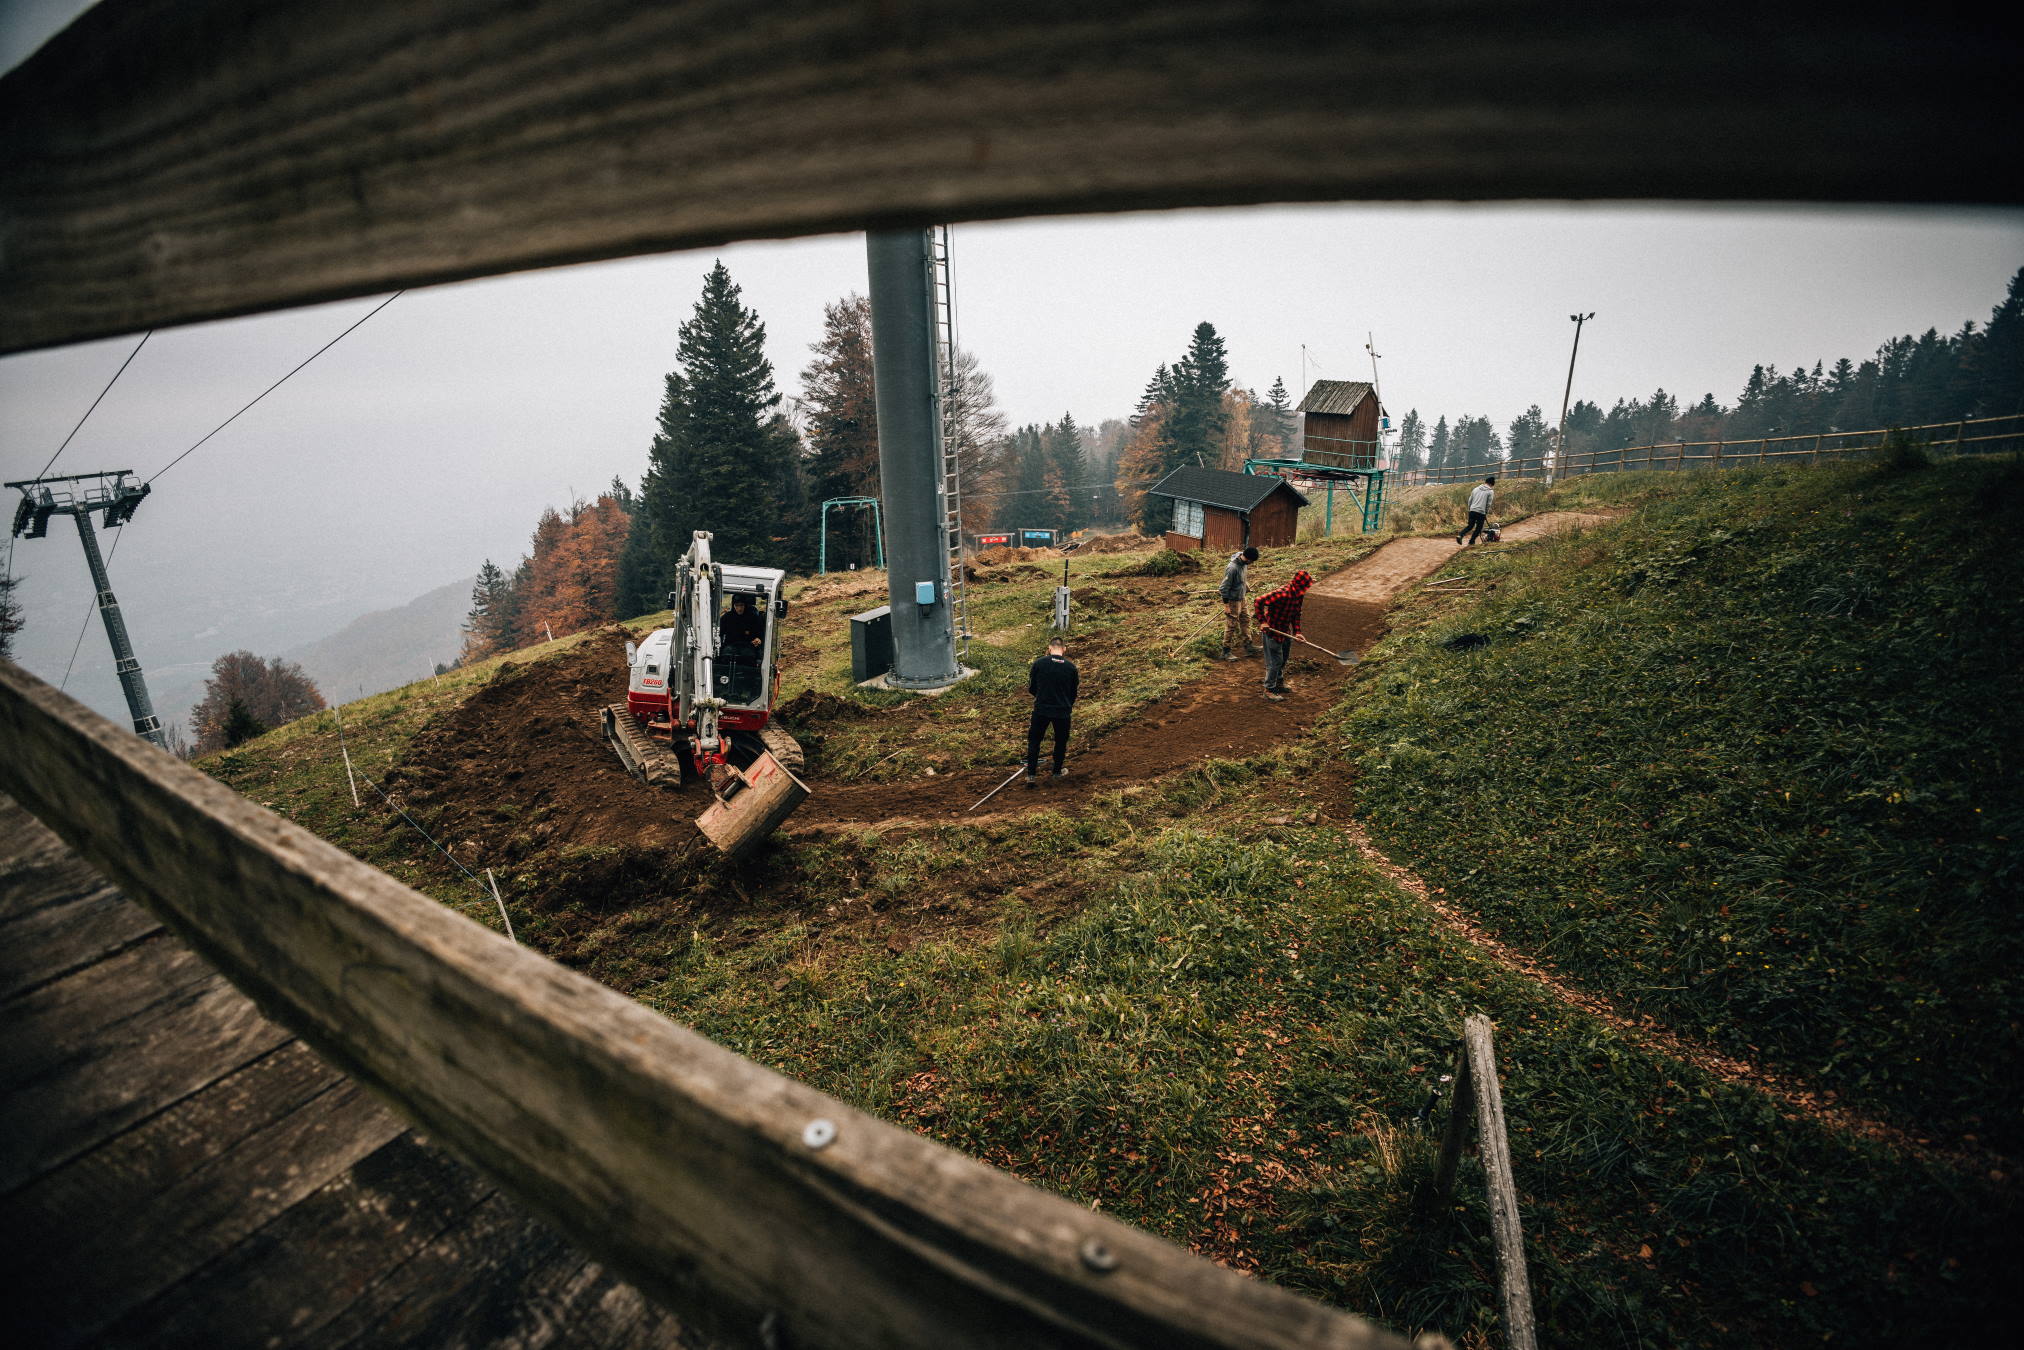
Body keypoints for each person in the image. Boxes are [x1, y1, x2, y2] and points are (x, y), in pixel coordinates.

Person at [1024, 636, 1079, 787]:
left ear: (1049, 648)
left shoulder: (1039, 663)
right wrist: (1066, 704)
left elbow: (1032, 688)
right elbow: (1073, 693)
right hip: (1062, 711)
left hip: (1041, 709)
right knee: (1060, 741)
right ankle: (1056, 771)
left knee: (1034, 741)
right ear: (1064, 649)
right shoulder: (1071, 668)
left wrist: (1042, 698)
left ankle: (1031, 775)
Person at [1253, 569, 1313, 701]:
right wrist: (1263, 622)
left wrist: (1297, 631)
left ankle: (1278, 683)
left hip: (1285, 631)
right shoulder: (1282, 593)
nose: (1307, 588)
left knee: (1284, 658)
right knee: (1275, 661)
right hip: (1272, 631)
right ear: (1299, 585)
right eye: (1306, 586)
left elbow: (1296, 613)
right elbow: (1258, 601)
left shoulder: (1299, 595)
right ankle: (1269, 690)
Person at [1218, 545, 1261, 661]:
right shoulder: (1232, 568)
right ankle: (1225, 651)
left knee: (1246, 620)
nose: (1251, 564)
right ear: (1247, 558)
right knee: (1231, 625)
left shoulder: (1244, 563)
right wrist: (1226, 606)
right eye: (1252, 561)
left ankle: (1249, 646)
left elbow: (1242, 578)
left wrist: (1245, 586)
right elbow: (1223, 588)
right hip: (1233, 601)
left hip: (1242, 598)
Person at [719, 593, 765, 663]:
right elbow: (719, 632)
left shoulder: (753, 618)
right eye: (736, 606)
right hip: (730, 646)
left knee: (749, 655)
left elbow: (760, 633)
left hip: (748, 646)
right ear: (733, 605)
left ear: (745, 605)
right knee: (726, 654)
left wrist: (758, 639)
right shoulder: (726, 617)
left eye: (741, 605)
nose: (739, 608)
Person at [1457, 475, 1496, 546]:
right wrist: (1485, 512)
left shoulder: (1476, 489)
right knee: (1478, 528)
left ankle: (1460, 535)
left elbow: (1470, 500)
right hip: (1481, 512)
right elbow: (1488, 504)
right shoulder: (1490, 491)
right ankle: (1471, 541)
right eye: (1492, 485)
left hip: (1472, 510)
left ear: (1486, 482)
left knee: (1470, 526)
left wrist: (1470, 509)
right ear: (1491, 484)